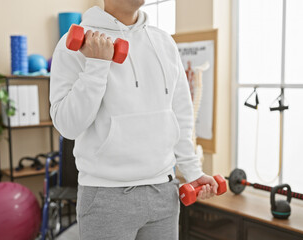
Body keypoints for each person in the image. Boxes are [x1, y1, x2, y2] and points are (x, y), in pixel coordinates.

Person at [49, 0, 219, 239]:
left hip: (163, 192)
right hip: (106, 197)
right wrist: (97, 65)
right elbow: (68, 126)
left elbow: (180, 113)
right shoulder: (73, 45)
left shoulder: (164, 42)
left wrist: (192, 170)